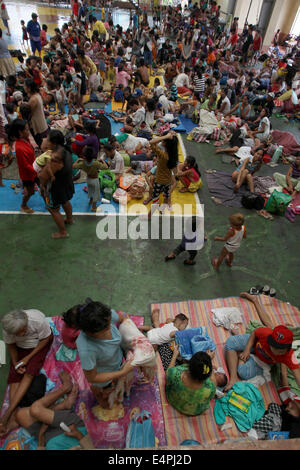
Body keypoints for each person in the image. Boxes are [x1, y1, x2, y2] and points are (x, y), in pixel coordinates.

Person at [224, 292, 300, 392]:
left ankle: (239, 354)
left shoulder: (289, 356)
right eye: (273, 346)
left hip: (263, 361)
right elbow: (255, 332)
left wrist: (285, 379)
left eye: (278, 349)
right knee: (230, 342)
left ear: (286, 349)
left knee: (243, 373)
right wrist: (247, 349)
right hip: (254, 344)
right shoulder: (267, 333)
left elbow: (297, 375)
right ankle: (233, 379)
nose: (274, 350)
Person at [0, 308, 53, 437]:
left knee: (30, 372)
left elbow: (47, 338)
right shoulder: (9, 329)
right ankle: (12, 417)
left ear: (27, 323)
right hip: (21, 348)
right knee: (14, 375)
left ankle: (9, 413)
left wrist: (28, 358)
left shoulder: (37, 320)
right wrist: (16, 361)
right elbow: (11, 345)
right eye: (18, 333)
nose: (22, 333)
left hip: (37, 346)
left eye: (23, 330)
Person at [75, 300, 136, 409]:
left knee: (119, 385)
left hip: (117, 360)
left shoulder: (105, 316)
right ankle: (98, 394)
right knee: (104, 397)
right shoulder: (87, 348)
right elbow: (93, 377)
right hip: (103, 375)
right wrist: (122, 372)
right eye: (106, 328)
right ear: (91, 333)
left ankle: (113, 383)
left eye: (110, 323)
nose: (110, 327)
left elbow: (122, 319)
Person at [15, 370, 95, 450]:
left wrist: (41, 440)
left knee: (21, 415)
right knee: (35, 410)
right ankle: (65, 388)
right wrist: (78, 434)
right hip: (72, 428)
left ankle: (63, 406)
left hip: (48, 438)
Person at [40, 130, 74, 239]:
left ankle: (63, 232)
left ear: (53, 143)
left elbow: (43, 177)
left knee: (53, 210)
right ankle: (69, 219)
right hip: (66, 183)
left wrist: (41, 184)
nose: (46, 141)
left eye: (48, 139)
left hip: (56, 188)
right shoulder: (66, 150)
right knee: (65, 201)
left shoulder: (55, 157)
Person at [165, 348, 217, 416]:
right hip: (194, 411)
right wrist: (209, 360)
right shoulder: (209, 389)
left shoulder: (176, 374)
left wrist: (174, 355)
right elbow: (214, 383)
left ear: (188, 365)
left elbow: (168, 373)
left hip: (173, 400)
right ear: (208, 374)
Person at [7, 119, 37, 213]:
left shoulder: (26, 139)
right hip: (28, 175)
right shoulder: (19, 148)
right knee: (31, 192)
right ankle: (23, 205)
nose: (29, 131)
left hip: (34, 169)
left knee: (41, 186)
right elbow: (25, 166)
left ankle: (49, 203)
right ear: (20, 132)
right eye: (27, 130)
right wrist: (37, 171)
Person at [73, 145, 107, 211]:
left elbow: (73, 166)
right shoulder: (96, 163)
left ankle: (91, 200)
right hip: (95, 180)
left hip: (88, 179)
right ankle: (94, 207)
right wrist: (102, 161)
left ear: (84, 157)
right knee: (96, 194)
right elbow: (105, 167)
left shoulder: (82, 163)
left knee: (90, 190)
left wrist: (77, 160)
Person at [24, 78, 48, 147]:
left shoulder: (33, 99)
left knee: (41, 143)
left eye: (25, 86)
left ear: (29, 88)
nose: (24, 87)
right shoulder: (37, 95)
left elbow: (29, 113)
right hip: (41, 123)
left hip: (37, 125)